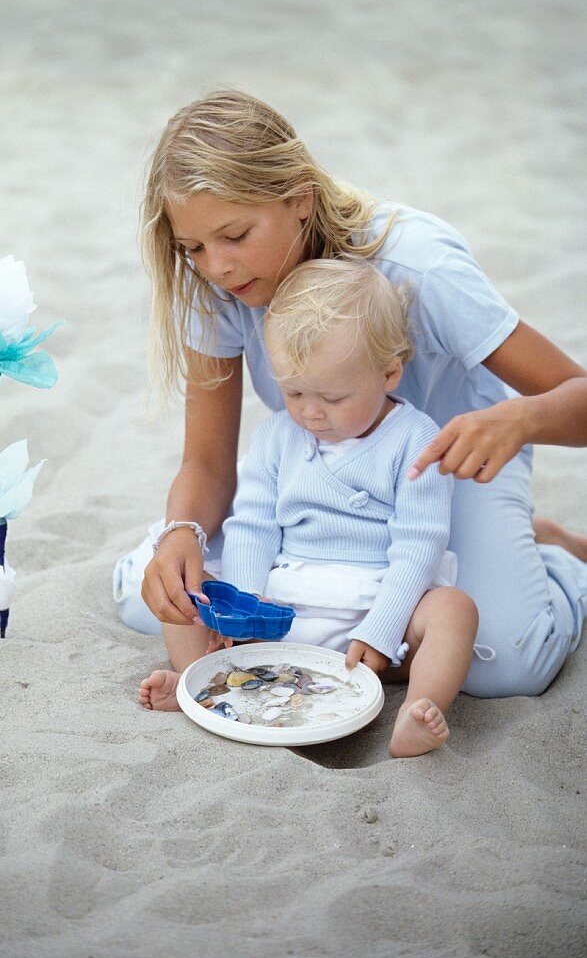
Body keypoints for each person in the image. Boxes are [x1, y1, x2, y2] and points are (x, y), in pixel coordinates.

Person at [117, 88, 587, 702]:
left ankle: (558, 563)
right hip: (331, 478)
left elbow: (575, 396)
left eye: (235, 234)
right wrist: (183, 530)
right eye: (195, 248)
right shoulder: (217, 289)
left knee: (504, 666)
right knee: (145, 599)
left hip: (450, 470)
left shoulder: (418, 267)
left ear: (300, 199)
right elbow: (206, 462)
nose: (219, 267)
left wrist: (518, 420)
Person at [141, 259, 480, 757]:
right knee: (188, 590)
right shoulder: (278, 435)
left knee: (454, 611)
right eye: (293, 391)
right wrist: (245, 610)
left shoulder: (416, 438)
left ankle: (418, 711)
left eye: (333, 397)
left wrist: (384, 628)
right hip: (284, 601)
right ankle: (199, 683)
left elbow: (419, 544)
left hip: (374, 608)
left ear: (389, 372)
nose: (310, 412)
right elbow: (253, 526)